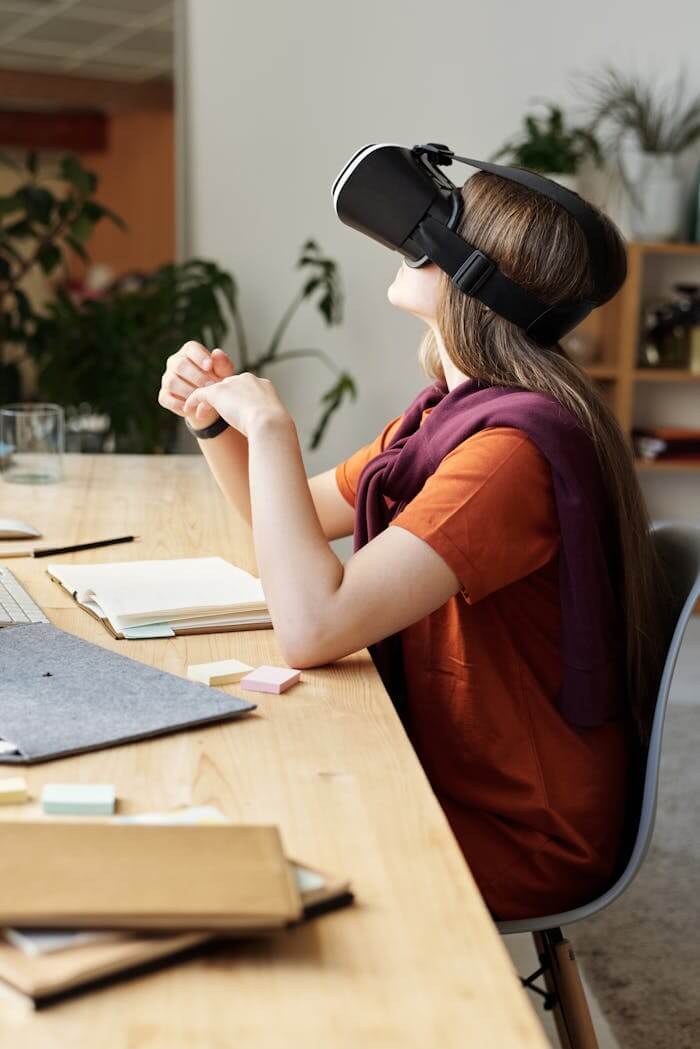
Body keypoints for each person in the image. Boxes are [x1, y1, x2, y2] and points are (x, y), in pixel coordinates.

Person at [158, 170, 666, 920]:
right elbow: (289, 521)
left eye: (442, 220)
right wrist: (212, 422)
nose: (411, 236)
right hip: (454, 774)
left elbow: (312, 627)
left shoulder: (507, 456)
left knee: (231, 834)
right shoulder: (446, 418)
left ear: (471, 275)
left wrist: (270, 428)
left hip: (518, 830)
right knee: (228, 803)